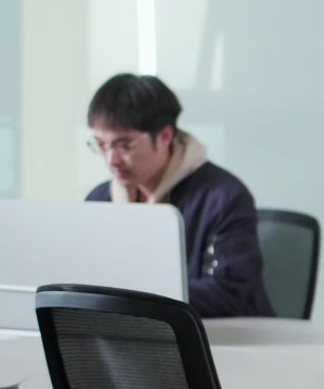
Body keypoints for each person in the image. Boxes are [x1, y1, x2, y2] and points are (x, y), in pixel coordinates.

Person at [84, 73, 275, 318]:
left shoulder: (224, 197)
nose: (112, 159)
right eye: (101, 144)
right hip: (134, 332)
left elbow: (229, 292)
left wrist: (134, 297)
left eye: (125, 145)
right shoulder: (100, 199)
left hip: (222, 335)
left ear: (165, 136)